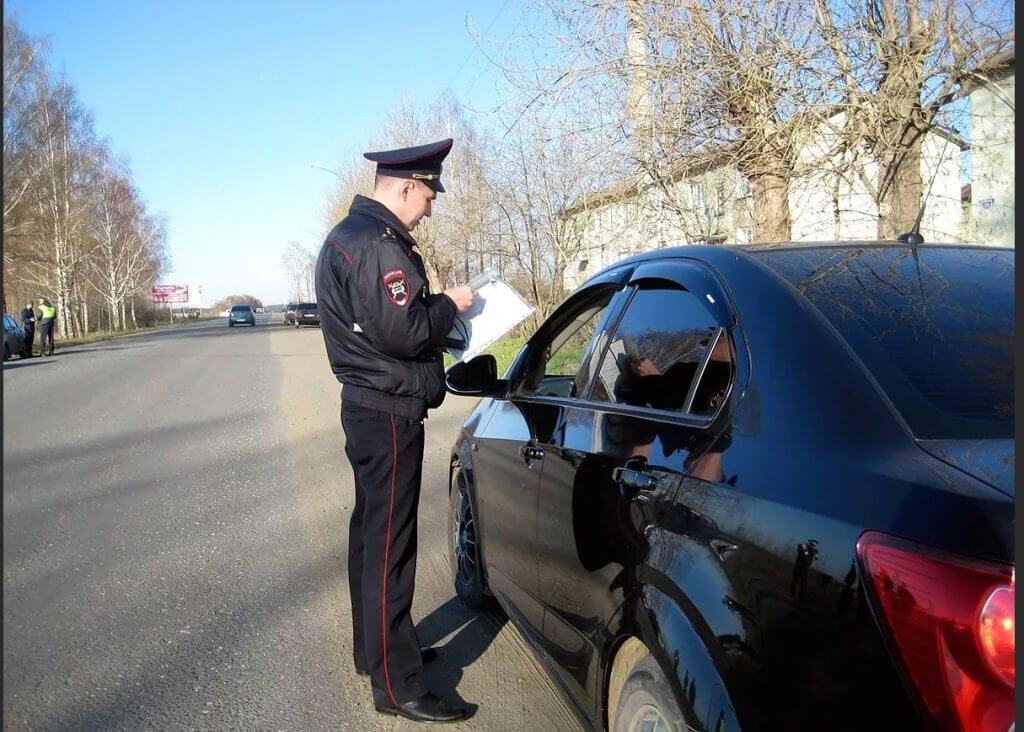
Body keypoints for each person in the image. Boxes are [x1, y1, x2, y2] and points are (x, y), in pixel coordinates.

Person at [314, 138, 477, 724]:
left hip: (370, 406)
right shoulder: (377, 246)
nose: (430, 207)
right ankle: (397, 684)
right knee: (390, 548)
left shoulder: (352, 237)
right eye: (428, 195)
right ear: (405, 186)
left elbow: (386, 326)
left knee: (370, 538)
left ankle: (378, 652)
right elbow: (407, 331)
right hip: (387, 411)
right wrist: (452, 306)